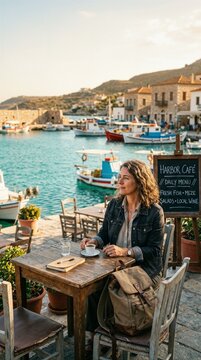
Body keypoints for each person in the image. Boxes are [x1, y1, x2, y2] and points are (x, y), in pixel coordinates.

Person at [80, 159, 164, 350]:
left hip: (144, 270)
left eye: (126, 178)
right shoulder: (115, 205)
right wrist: (94, 241)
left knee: (115, 292)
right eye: (119, 177)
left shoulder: (154, 212)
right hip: (116, 267)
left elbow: (156, 251)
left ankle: (120, 335)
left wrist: (126, 251)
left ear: (140, 181)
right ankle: (93, 336)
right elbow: (104, 234)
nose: (120, 182)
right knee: (92, 289)